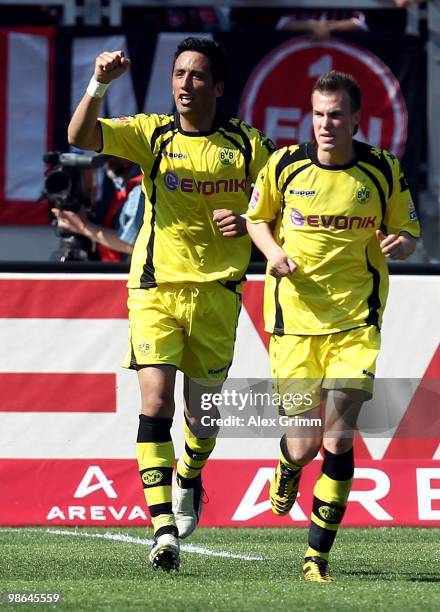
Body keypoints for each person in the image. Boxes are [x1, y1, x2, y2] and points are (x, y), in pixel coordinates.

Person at [67, 37, 275, 571]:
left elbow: (285, 206)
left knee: (201, 419)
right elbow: (80, 135)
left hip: (218, 295)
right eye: (179, 74)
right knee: (155, 404)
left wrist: (253, 225)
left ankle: (189, 476)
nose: (185, 84)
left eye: (198, 76)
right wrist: (98, 84)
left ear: (218, 86)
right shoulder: (152, 134)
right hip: (155, 289)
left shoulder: (249, 146)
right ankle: (163, 531)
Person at [246, 70, 420, 583]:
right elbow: (256, 218)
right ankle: (288, 466)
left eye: (336, 115)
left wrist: (401, 244)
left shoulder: (382, 170)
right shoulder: (284, 165)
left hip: (355, 324)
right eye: (319, 114)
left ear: (355, 121)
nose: (325, 124)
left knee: (339, 440)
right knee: (303, 445)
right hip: (294, 323)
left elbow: (408, 230)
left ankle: (315, 558)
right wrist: (273, 251)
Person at [52, 156, 144, 258]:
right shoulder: (118, 185)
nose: (106, 157)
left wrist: (82, 226)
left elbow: (132, 244)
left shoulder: (140, 188)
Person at [276, 9, 368, 39]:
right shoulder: (302, 6)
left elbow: (359, 24)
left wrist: (330, 26)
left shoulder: (345, 7)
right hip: (302, 61)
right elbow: (282, 24)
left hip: (340, 64)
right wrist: (311, 25)